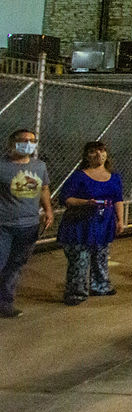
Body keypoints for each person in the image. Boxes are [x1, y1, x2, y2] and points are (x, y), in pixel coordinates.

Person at [56, 141, 124, 305]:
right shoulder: (79, 176)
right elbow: (66, 198)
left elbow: (118, 199)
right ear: (87, 156)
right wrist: (86, 203)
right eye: (93, 152)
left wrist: (120, 220)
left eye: (101, 151)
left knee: (101, 255)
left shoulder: (114, 177)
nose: (98, 154)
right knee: (80, 257)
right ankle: (76, 292)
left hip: (103, 222)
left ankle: (101, 286)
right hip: (80, 223)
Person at [0, 129, 53, 318]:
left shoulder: (39, 166)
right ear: (12, 143)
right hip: (4, 224)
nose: (28, 144)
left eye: (32, 140)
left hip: (29, 225)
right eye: (23, 140)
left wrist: (48, 210)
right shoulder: (3, 166)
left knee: (16, 265)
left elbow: (44, 188)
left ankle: (5, 303)